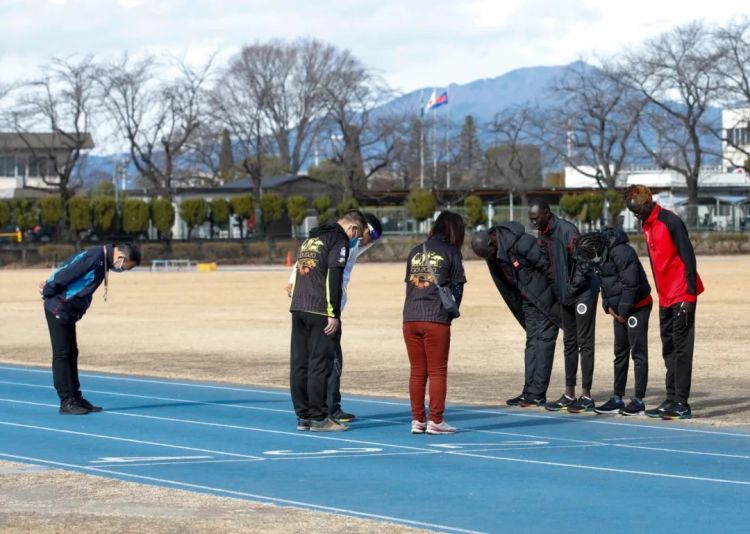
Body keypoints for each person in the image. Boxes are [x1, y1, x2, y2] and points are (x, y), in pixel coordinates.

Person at [286, 212, 383, 423]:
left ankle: (305, 415)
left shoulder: (316, 237)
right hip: (324, 307)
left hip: (301, 304)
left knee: (302, 361)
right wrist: (333, 313)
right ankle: (326, 411)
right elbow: (333, 276)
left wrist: (293, 280)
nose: (369, 242)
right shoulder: (344, 241)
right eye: (371, 236)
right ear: (359, 229)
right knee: (325, 360)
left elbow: (305, 259)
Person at [625, 185, 704, 420]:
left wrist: (690, 297)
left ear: (648, 204)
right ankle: (671, 398)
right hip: (665, 297)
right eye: (633, 211)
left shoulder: (670, 221)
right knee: (668, 348)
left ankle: (682, 402)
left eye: (638, 210)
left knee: (681, 349)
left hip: (682, 294)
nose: (636, 214)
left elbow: (688, 258)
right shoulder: (646, 225)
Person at [39, 242, 141, 414]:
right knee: (62, 354)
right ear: (120, 257)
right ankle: (67, 401)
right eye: (125, 267)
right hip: (59, 307)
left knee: (72, 353)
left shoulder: (102, 259)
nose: (122, 270)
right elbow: (69, 270)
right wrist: (49, 288)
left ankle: (76, 397)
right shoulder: (96, 257)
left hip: (69, 311)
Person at [471, 222, 561, 408]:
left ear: (491, 241)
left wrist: (557, 297)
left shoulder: (522, 242)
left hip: (546, 299)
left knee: (543, 343)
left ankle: (537, 394)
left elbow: (550, 266)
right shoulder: (493, 253)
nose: (491, 257)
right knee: (532, 343)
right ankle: (529, 391)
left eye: (490, 253)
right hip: (528, 300)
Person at [528, 198, 599, 414]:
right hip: (565, 295)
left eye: (535, 218)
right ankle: (569, 393)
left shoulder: (568, 231)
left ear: (547, 213)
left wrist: (572, 288)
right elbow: (548, 265)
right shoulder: (543, 234)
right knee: (569, 342)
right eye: (531, 219)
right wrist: (559, 289)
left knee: (584, 342)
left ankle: (586, 395)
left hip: (583, 293)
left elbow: (585, 262)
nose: (533, 223)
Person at [575, 230, 653, 416]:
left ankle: (639, 401)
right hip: (619, 311)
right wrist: (608, 306)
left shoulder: (621, 252)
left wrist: (623, 311)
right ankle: (617, 398)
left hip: (638, 306)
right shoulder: (600, 257)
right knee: (620, 353)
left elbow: (631, 283)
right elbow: (604, 284)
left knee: (638, 354)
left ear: (595, 247)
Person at [403, 211, 466, 434]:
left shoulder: (415, 251)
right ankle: (436, 420)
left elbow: (409, 285)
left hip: (410, 317)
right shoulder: (452, 252)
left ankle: (417, 420)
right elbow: (458, 287)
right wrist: (451, 311)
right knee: (437, 371)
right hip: (436, 317)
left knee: (417, 371)